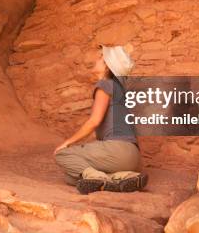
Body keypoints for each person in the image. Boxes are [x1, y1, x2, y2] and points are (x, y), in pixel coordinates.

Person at [54, 45, 148, 194]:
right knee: (71, 177)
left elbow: (94, 121)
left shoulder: (105, 85)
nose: (96, 60)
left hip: (117, 152)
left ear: (106, 65)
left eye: (100, 58)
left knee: (63, 155)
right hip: (133, 158)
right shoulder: (121, 90)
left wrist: (67, 143)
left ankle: (103, 178)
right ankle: (122, 177)